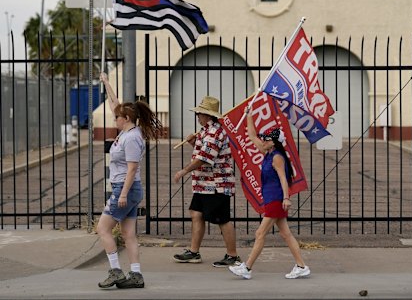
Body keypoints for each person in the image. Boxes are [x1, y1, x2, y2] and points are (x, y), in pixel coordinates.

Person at [97, 72, 162, 289]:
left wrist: (122, 194)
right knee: (128, 233)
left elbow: (133, 169)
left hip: (126, 188)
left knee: (103, 229)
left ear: (126, 119)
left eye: (117, 117)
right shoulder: (127, 132)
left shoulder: (132, 137)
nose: (114, 118)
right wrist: (107, 83)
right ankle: (136, 274)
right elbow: (115, 104)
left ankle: (115, 271)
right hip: (127, 188)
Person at [229, 109, 310, 280]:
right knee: (286, 234)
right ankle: (301, 266)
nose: (263, 140)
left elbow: (283, 179)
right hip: (271, 199)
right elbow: (251, 136)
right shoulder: (268, 153)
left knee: (260, 233)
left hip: (276, 199)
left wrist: (286, 198)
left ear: (273, 142)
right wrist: (249, 116)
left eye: (266, 138)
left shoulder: (277, 158)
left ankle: (247, 268)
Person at [172, 96, 240, 267]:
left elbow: (205, 158)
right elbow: (204, 150)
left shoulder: (215, 132)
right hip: (204, 184)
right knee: (196, 213)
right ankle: (194, 252)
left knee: (222, 219)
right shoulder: (205, 131)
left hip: (216, 184)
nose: (198, 116)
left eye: (200, 113)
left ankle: (233, 255)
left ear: (208, 115)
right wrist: (194, 142)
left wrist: (183, 171)